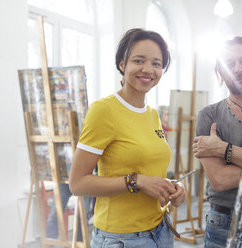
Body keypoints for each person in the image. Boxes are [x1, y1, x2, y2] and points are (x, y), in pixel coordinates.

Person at [69, 28, 186, 248]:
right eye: (139, 60)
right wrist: (136, 181)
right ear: (122, 65)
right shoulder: (103, 110)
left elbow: (146, 168)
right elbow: (77, 183)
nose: (148, 69)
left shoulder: (152, 114)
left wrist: (170, 186)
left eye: (157, 63)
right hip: (122, 238)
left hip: (160, 230)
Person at [192, 36, 242, 248]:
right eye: (229, 64)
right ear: (220, 72)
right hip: (223, 221)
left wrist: (224, 149)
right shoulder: (209, 115)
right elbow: (220, 180)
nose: (237, 68)